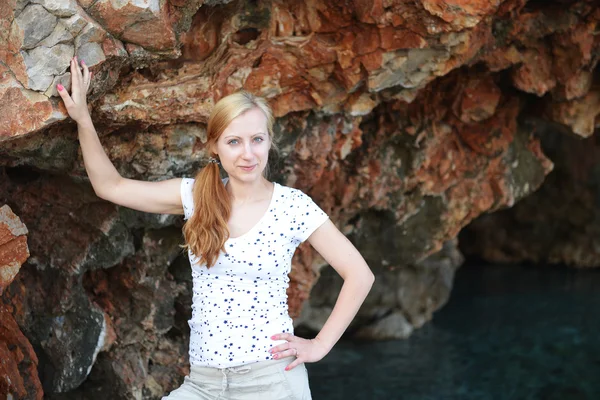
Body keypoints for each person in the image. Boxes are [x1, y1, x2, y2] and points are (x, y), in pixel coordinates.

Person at [58, 56, 375, 399]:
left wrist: (319, 345)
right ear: (214, 147)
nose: (248, 154)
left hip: (271, 382)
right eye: (234, 141)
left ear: (269, 141)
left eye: (257, 139)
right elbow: (111, 186)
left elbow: (359, 274)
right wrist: (83, 118)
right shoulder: (196, 196)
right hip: (203, 384)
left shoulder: (292, 206)